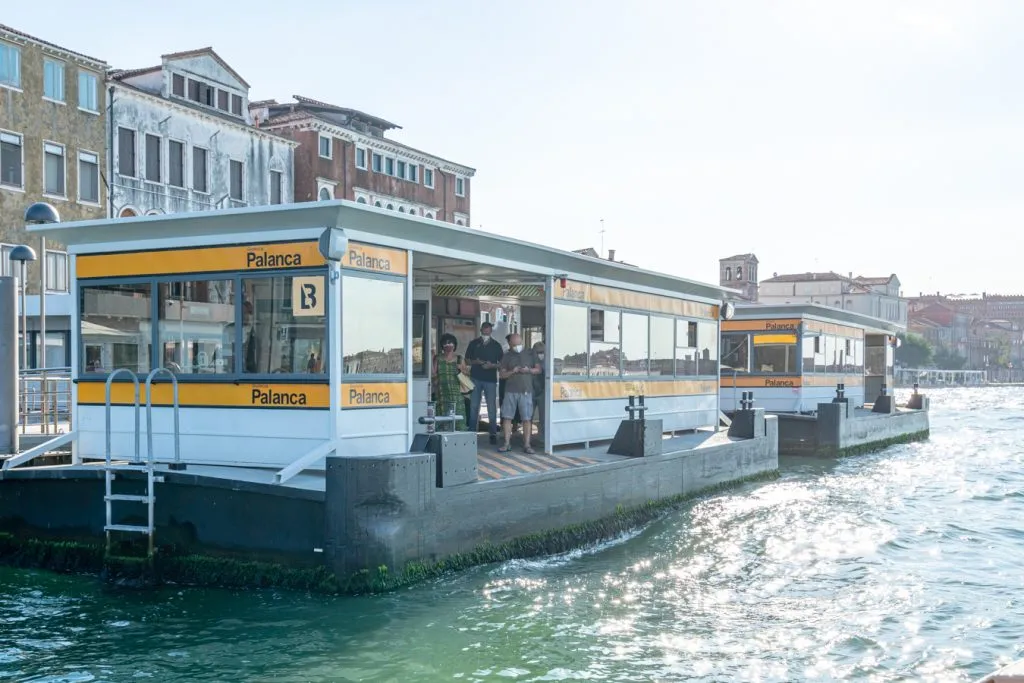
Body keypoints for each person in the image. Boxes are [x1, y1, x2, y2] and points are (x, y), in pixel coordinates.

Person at [498, 333, 541, 453]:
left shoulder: (530, 353)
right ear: (510, 344)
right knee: (507, 417)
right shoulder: (507, 355)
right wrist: (513, 371)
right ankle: (507, 444)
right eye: (513, 344)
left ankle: (527, 445)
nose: (516, 346)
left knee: (527, 418)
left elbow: (538, 369)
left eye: (518, 343)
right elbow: (502, 375)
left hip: (526, 390)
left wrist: (528, 370)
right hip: (510, 391)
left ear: (521, 341)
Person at [465, 322, 503, 443]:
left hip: (490, 379)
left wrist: (492, 365)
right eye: (485, 327)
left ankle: (493, 433)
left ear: (491, 330)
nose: (487, 330)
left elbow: (502, 363)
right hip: (475, 377)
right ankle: (472, 433)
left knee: (491, 407)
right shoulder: (474, 343)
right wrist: (476, 362)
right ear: (481, 329)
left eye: (489, 328)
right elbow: (467, 360)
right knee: (474, 406)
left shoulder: (496, 345)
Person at [433, 333, 468, 430]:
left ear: (454, 345)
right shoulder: (438, 358)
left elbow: (466, 375)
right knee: (443, 420)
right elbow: (433, 374)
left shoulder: (460, 359)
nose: (448, 345)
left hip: (457, 395)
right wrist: (435, 382)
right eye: (445, 343)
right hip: (442, 395)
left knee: (459, 420)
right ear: (442, 346)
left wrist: (461, 369)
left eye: (450, 343)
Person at [532, 341, 546, 441]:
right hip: (531, 391)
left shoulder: (548, 362)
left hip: (543, 392)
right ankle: (527, 438)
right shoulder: (530, 361)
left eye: (542, 352)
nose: (540, 354)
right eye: (538, 352)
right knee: (528, 416)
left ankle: (543, 436)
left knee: (543, 417)